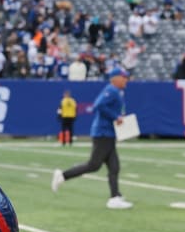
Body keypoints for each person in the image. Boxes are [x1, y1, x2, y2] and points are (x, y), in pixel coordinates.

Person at [51, 67, 133, 209]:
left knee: (114, 166)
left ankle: (115, 196)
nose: (126, 80)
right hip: (103, 133)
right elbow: (98, 105)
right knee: (94, 165)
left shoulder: (116, 91)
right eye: (123, 77)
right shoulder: (111, 90)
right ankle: (63, 175)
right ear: (115, 78)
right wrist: (115, 117)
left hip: (108, 133)